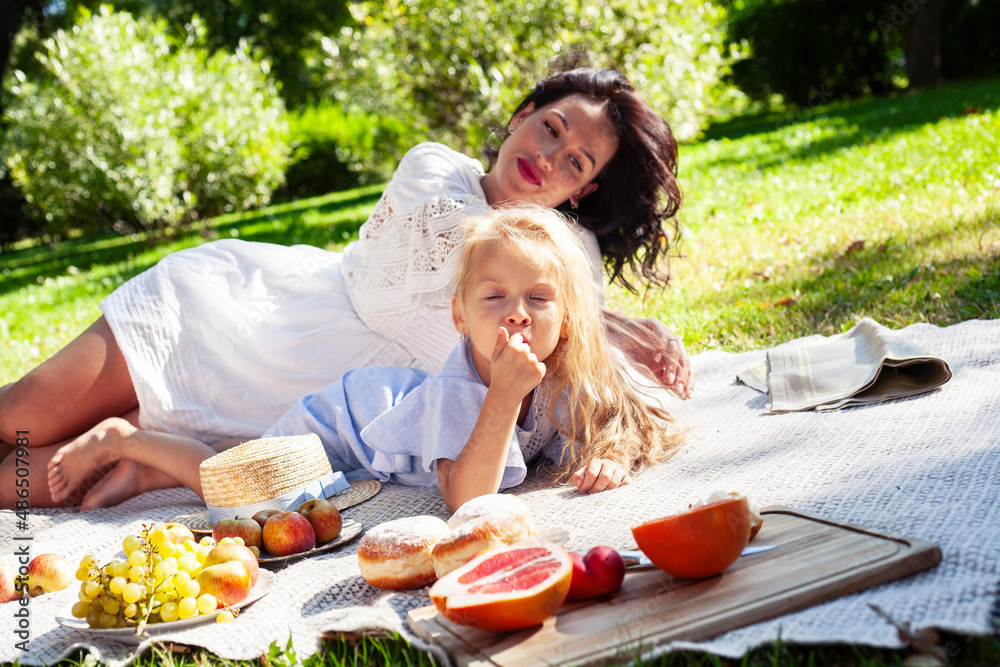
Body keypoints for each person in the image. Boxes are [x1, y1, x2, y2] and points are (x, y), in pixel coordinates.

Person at [0, 68, 693, 510]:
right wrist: (603, 315)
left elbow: (588, 379)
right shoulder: (437, 173)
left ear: (584, 188)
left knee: (28, 484)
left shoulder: (572, 263)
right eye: (549, 127)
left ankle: (128, 449)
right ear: (521, 115)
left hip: (296, 421)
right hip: (230, 322)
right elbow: (467, 249)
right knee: (20, 415)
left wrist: (604, 334)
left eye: (574, 160)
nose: (547, 156)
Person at [45, 207, 684, 512]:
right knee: (247, 486)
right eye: (494, 298)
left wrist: (613, 453)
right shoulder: (467, 391)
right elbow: (467, 496)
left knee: (239, 477)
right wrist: (502, 397)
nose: (517, 313)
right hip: (342, 421)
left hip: (376, 408)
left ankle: (149, 472)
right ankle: (127, 441)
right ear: (461, 318)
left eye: (538, 298)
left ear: (566, 318)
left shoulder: (565, 372)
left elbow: (639, 415)